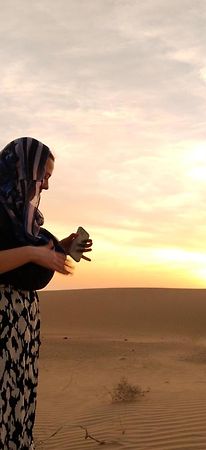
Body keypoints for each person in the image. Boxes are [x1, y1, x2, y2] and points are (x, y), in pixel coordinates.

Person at [0, 137, 93, 449]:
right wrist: (31, 253)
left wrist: (61, 247)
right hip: (2, 327)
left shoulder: (22, 214)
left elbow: (29, 249)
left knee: (16, 405)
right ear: (23, 169)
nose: (47, 186)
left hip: (19, 329)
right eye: (45, 176)